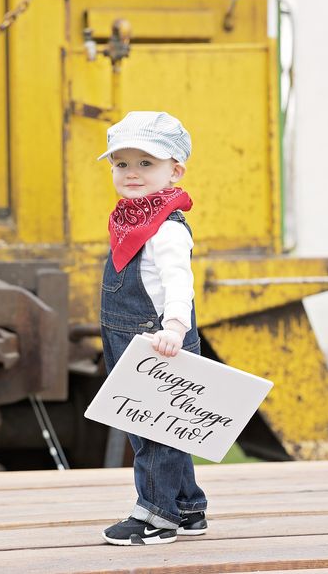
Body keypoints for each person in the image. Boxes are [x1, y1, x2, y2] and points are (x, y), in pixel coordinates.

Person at [97, 111, 208, 546]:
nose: (131, 173)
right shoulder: (131, 219)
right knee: (166, 423)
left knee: (156, 429)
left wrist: (176, 328)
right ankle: (187, 506)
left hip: (159, 338)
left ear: (174, 170)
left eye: (146, 163)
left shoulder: (165, 228)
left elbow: (180, 282)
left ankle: (155, 514)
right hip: (128, 336)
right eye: (121, 163)